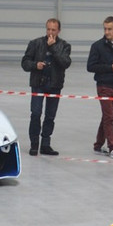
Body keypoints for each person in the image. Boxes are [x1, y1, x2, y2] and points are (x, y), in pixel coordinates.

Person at [21, 18, 71, 156]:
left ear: (59, 31)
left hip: (55, 85)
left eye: (53, 30)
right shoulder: (35, 43)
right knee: (36, 113)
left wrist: (53, 47)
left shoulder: (65, 46)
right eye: (48, 29)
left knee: (50, 116)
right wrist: (35, 65)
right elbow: (25, 63)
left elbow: (65, 63)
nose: (50, 32)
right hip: (38, 84)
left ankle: (45, 144)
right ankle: (34, 144)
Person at [87, 16, 113, 159]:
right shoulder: (97, 46)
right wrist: (110, 68)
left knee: (107, 116)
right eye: (105, 29)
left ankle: (98, 144)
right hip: (104, 86)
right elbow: (90, 66)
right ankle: (112, 147)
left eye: (109, 29)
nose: (107, 32)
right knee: (109, 117)